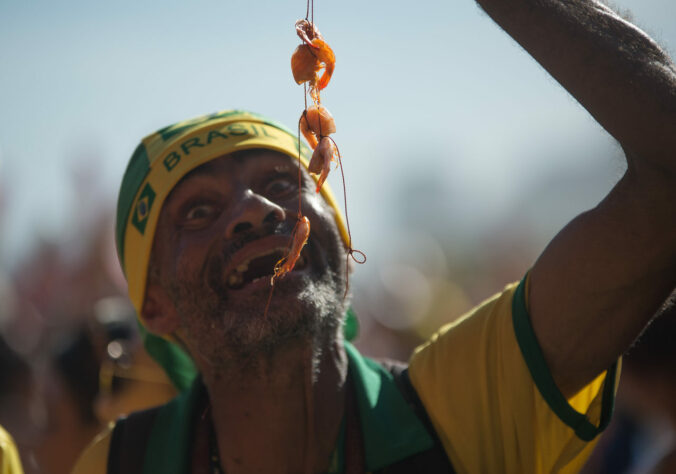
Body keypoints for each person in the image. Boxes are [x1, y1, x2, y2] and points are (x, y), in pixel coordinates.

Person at [73, 0, 676, 472]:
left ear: (343, 239)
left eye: (284, 182)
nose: (253, 210)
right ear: (153, 303)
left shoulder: (462, 405)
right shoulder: (119, 464)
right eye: (199, 212)